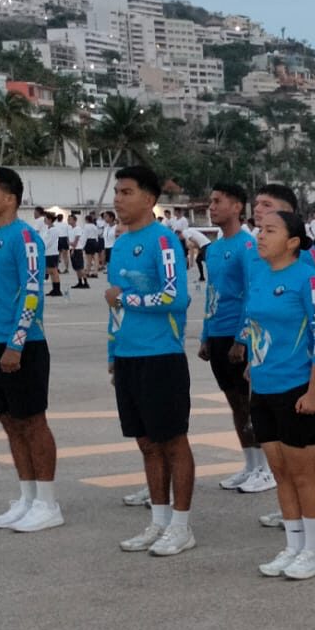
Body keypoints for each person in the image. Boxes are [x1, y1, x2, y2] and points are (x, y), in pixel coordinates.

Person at [106, 164, 197, 555]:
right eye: (117, 192)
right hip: (128, 356)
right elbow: (114, 309)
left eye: (126, 192)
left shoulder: (163, 242)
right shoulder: (121, 242)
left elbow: (177, 297)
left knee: (172, 441)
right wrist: (113, 352)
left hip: (161, 355)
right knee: (145, 442)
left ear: (149, 199)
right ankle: (158, 521)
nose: (118, 199)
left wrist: (127, 299)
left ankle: (181, 525)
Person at [0, 167, 62, 532]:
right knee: (9, 423)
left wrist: (15, 343)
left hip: (22, 346)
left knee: (33, 422)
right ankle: (27, 496)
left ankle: (48, 502)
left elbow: (33, 292)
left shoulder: (26, 238)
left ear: (9, 198)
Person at [241, 209, 315, 578]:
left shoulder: (308, 280)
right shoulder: (261, 275)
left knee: (304, 474)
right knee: (280, 472)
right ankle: (293, 545)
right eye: (259, 229)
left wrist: (314, 391)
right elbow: (254, 327)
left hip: (298, 388)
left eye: (270, 230)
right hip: (263, 388)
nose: (260, 236)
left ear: (293, 242)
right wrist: (252, 366)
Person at [198, 181, 272, 493]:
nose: (212, 207)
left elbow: (252, 294)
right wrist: (205, 334)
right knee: (234, 403)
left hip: (237, 335)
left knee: (250, 403)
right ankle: (251, 463)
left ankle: (267, 468)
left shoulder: (247, 246)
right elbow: (211, 294)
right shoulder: (213, 249)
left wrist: (243, 338)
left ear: (236, 207)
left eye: (218, 201)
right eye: (211, 201)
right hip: (217, 333)